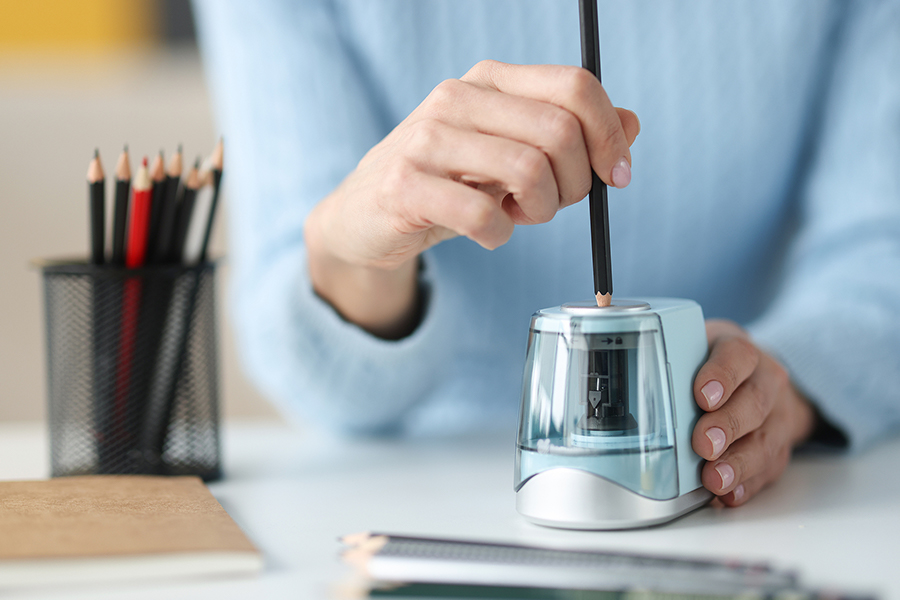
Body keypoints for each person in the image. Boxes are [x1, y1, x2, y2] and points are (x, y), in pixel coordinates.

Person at [192, 1, 900, 507]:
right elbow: (309, 364)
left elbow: (880, 250)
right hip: (416, 489)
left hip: (744, 475)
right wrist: (361, 250)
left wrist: (784, 389)